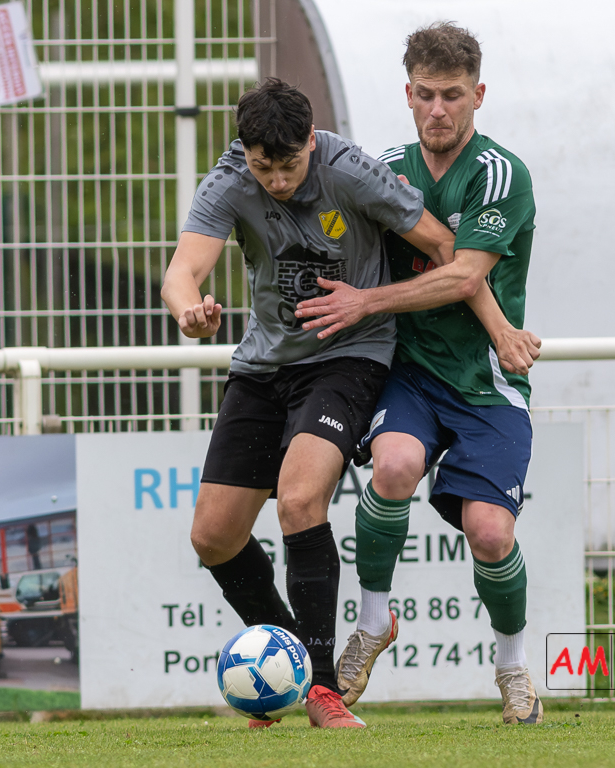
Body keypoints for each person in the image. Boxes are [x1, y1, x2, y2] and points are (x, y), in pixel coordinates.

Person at [161, 78, 489, 729]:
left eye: (288, 164)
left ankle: (322, 689)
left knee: (299, 499)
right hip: (263, 368)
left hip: (349, 357)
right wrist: (189, 311)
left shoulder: (350, 171)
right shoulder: (230, 179)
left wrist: (468, 329)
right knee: (213, 536)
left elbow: (444, 248)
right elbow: (181, 271)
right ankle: (290, 668)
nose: (277, 181)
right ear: (246, 152)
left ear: (311, 141)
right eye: (264, 167)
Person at [294, 22, 544, 725]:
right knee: (395, 464)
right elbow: (338, 238)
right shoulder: (381, 168)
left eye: (453, 96)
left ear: (478, 95)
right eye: (426, 94)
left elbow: (462, 273)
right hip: (406, 371)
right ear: (407, 94)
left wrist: (368, 301)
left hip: (486, 384)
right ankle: (373, 622)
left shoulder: (501, 174)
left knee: (490, 534)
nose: (438, 110)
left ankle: (512, 663)